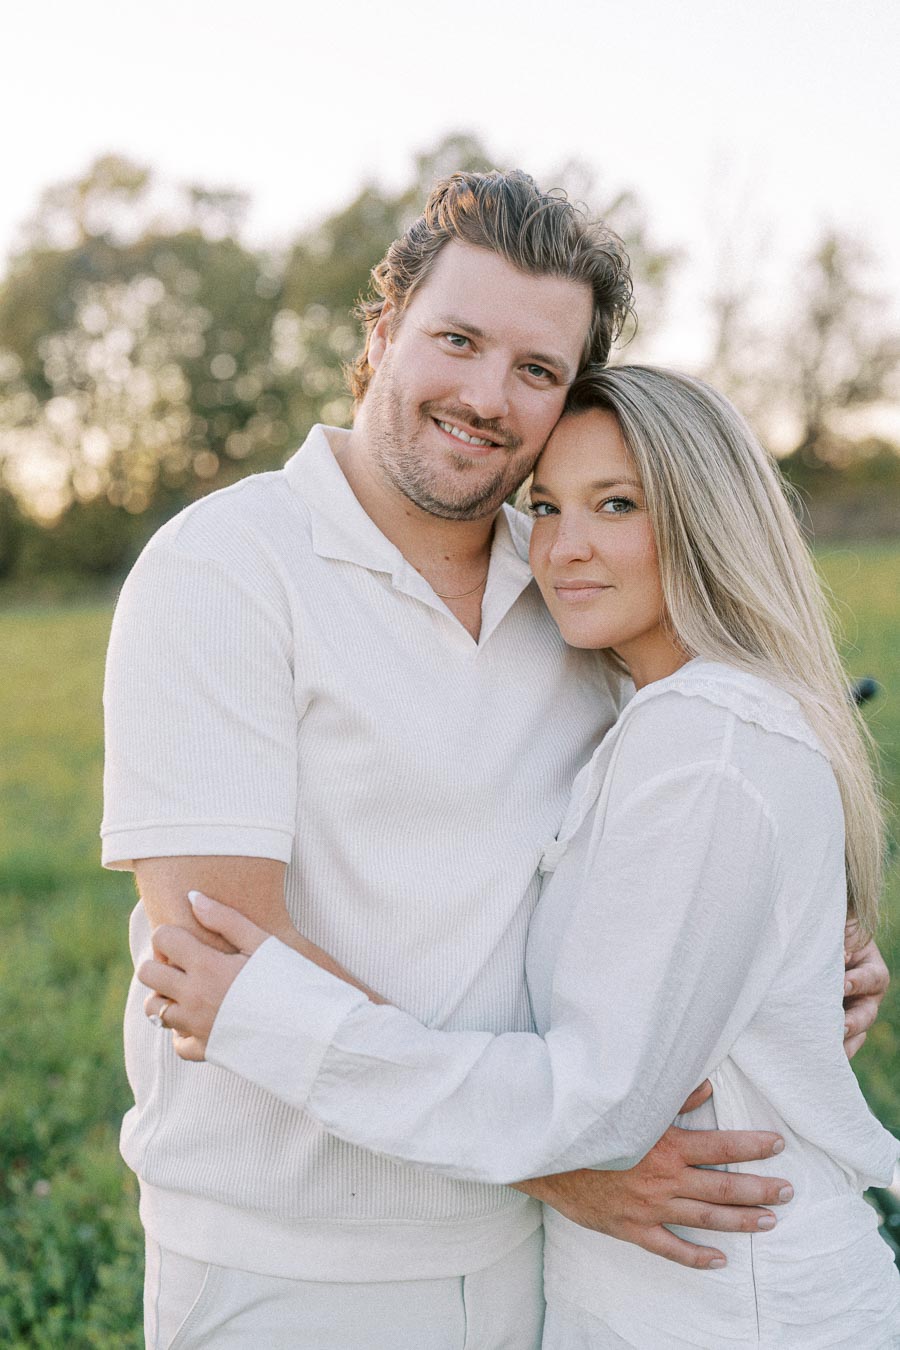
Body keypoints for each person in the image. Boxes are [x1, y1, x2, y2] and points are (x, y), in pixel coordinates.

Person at [102, 170, 888, 1349]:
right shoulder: (226, 565)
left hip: (538, 1264)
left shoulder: (575, 583)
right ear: (383, 333)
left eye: (535, 369)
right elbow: (220, 953)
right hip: (299, 1257)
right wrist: (570, 1163)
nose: (486, 395)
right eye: (457, 339)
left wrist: (790, 959)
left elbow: (714, 800)